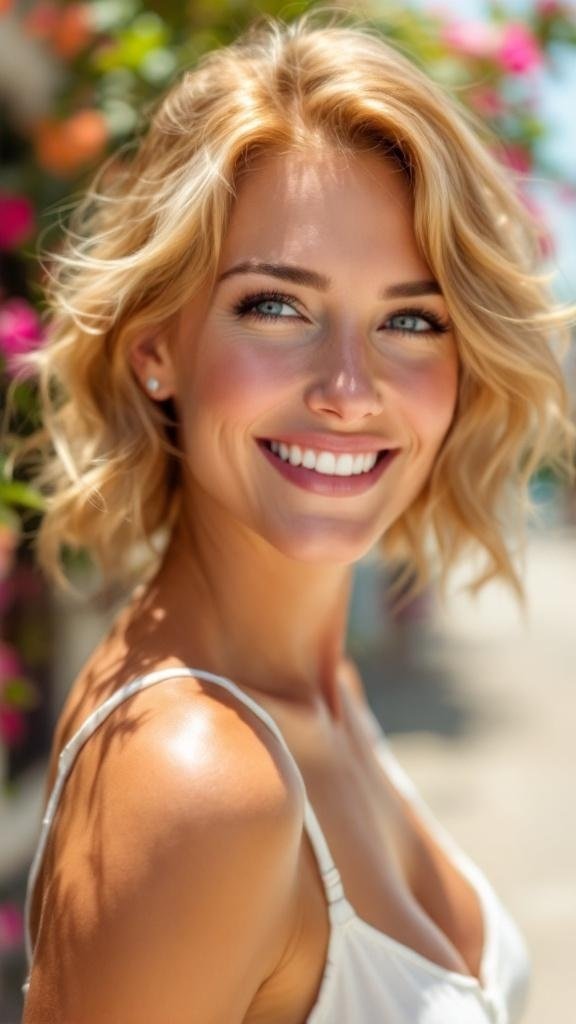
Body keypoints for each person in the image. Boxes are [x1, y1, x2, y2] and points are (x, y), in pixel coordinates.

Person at [15, 11, 575, 1024]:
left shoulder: (312, 682)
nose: (350, 390)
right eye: (278, 305)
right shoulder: (198, 779)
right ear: (156, 349)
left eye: (411, 319)